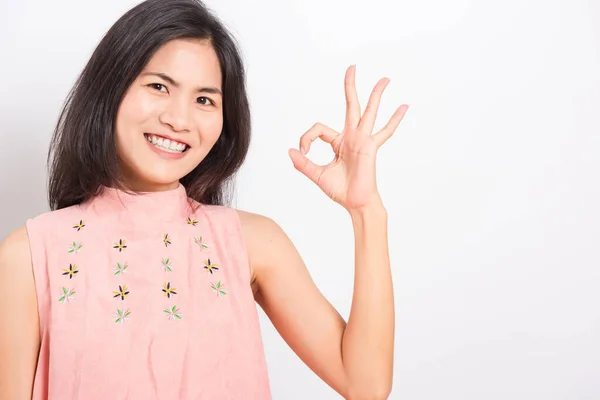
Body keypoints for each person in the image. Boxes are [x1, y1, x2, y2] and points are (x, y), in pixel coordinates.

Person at [0, 0, 408, 398]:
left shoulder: (252, 242)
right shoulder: (30, 255)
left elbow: (365, 384)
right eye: (159, 86)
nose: (179, 120)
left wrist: (366, 212)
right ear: (111, 90)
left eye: (204, 100)